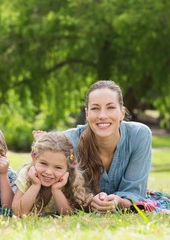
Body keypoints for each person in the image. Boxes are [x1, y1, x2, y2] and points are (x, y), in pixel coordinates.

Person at [64, 80, 152, 213]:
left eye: (110, 107)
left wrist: (119, 201)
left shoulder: (139, 135)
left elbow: (135, 192)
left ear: (122, 112)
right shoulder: (69, 141)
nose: (102, 116)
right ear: (87, 114)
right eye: (95, 108)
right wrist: (88, 201)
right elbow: (61, 189)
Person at [12, 131, 93, 216]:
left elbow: (67, 214)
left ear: (68, 167)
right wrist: (35, 185)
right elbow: (18, 212)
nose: (49, 172)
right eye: (43, 163)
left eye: (58, 167)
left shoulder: (68, 178)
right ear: (34, 157)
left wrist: (56, 190)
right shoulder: (26, 173)